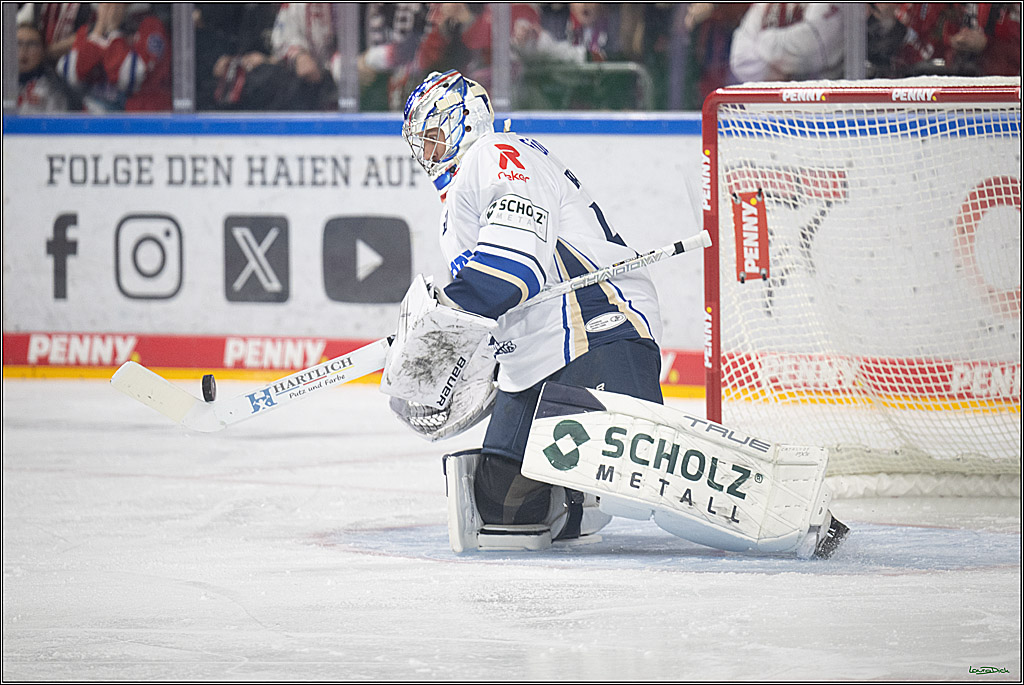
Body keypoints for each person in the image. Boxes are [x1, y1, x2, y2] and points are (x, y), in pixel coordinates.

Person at [386, 69, 849, 558]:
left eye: (433, 136)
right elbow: (497, 303)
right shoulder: (457, 198)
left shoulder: (497, 155)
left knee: (642, 477)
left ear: (466, 120)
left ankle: (796, 514)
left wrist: (448, 313)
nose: (427, 152)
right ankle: (578, 502)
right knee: (502, 510)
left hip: (593, 322)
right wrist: (455, 351)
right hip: (534, 356)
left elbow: (511, 268)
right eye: (422, 143)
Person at [55, 2, 171, 112]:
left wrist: (114, 32)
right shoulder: (90, 29)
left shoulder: (150, 26)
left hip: (140, 118)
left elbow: (128, 78)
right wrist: (97, 30)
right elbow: (71, 74)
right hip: (94, 118)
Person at [729, 3, 845, 82]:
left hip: (825, 109)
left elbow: (809, 49)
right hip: (770, 110)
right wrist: (784, 61)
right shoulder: (764, 6)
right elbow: (740, 60)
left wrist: (763, 41)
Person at [17, 21, 76, 112]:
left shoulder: (57, 88)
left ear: (43, 50)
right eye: (18, 43)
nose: (24, 50)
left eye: (32, 44)